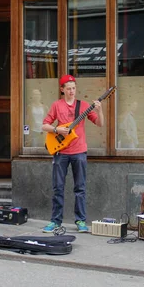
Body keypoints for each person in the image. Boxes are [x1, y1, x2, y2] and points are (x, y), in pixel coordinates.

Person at [41, 75, 104, 233]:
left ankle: (81, 221)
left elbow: (99, 123)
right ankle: (55, 221)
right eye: (68, 88)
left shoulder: (82, 105)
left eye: (73, 88)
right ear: (62, 89)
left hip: (79, 151)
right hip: (61, 151)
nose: (71, 91)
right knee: (58, 188)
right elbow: (44, 125)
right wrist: (57, 129)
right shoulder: (57, 105)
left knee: (80, 188)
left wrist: (100, 110)